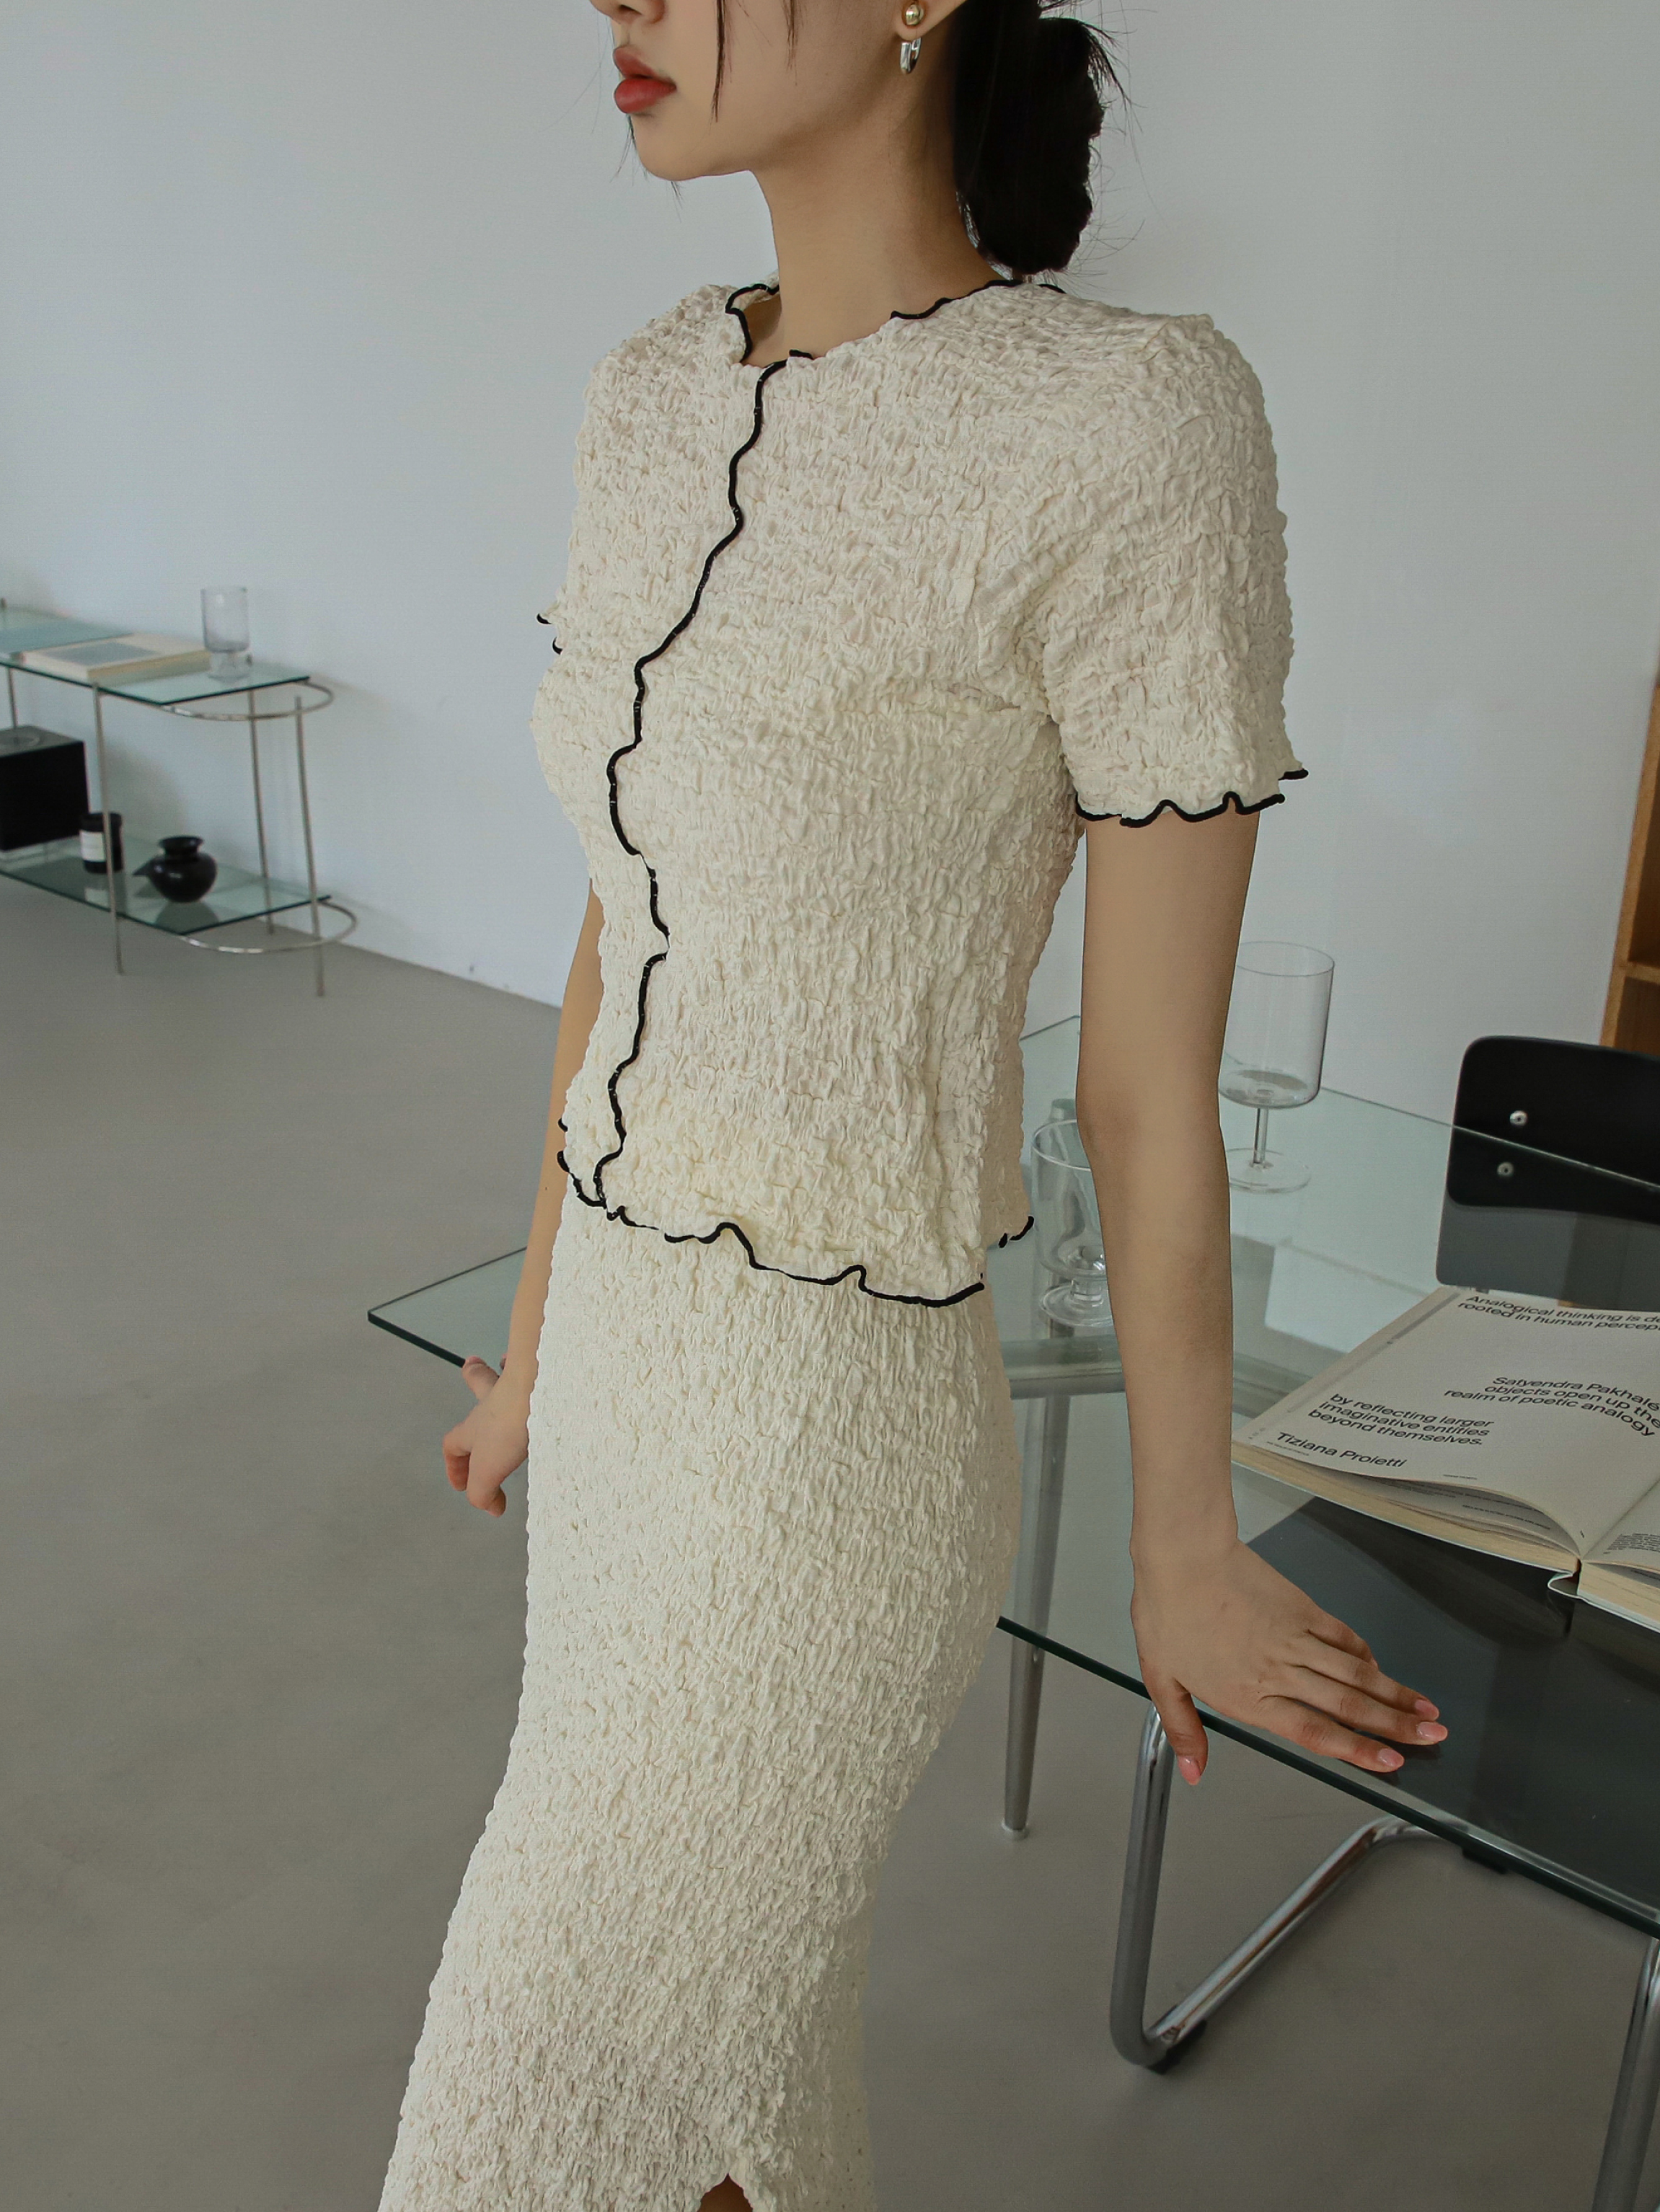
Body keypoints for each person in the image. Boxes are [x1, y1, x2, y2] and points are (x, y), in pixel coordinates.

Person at [378, 0, 1449, 2204]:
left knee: (540, 2098)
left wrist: (1178, 1545)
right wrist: (547, 1352)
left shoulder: (1129, 421)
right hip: (628, 1422)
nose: (621, 6)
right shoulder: (651, 385)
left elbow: (1147, 1085)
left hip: (819, 1455)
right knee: (718, 2114)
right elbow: (618, 935)